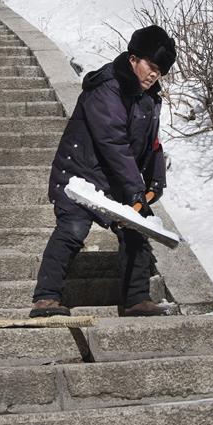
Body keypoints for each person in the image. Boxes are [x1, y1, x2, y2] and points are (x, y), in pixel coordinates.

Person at [30, 25, 177, 318]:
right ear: (133, 58)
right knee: (72, 229)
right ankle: (46, 299)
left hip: (116, 178)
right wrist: (136, 188)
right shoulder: (108, 88)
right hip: (79, 173)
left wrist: (155, 178)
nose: (153, 75)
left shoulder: (149, 98)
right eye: (151, 66)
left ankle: (136, 299)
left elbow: (152, 144)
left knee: (135, 231)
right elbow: (113, 143)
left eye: (160, 71)